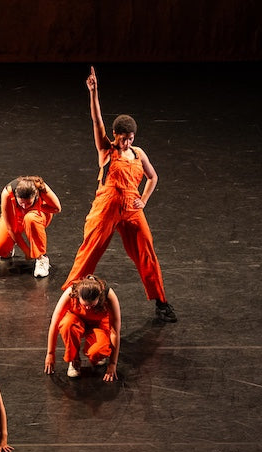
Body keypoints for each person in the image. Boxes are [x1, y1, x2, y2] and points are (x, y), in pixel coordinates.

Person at [62, 66, 176, 322]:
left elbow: (153, 177)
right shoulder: (106, 150)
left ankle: (161, 301)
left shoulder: (138, 153)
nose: (127, 142)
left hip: (132, 208)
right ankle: (70, 297)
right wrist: (93, 93)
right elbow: (96, 121)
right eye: (123, 138)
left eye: (130, 138)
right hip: (107, 207)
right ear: (115, 136)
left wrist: (143, 200)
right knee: (90, 251)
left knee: (146, 251)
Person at [45, 275, 121, 381]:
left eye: (91, 306)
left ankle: (97, 353)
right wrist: (50, 353)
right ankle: (74, 359)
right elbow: (54, 323)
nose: (88, 308)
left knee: (98, 352)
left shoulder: (108, 295)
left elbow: (115, 332)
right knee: (67, 324)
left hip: (98, 324)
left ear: (99, 298)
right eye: (85, 305)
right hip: (77, 320)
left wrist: (112, 364)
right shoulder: (71, 291)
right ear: (78, 296)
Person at [0, 175, 62, 278]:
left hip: (36, 215)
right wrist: (26, 250)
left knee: (30, 218)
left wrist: (35, 207)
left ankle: (41, 258)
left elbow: (57, 208)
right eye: (21, 203)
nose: (25, 206)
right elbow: (10, 228)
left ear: (35, 196)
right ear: (16, 196)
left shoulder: (40, 187)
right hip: (16, 215)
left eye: (28, 203)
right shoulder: (7, 193)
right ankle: (9, 246)